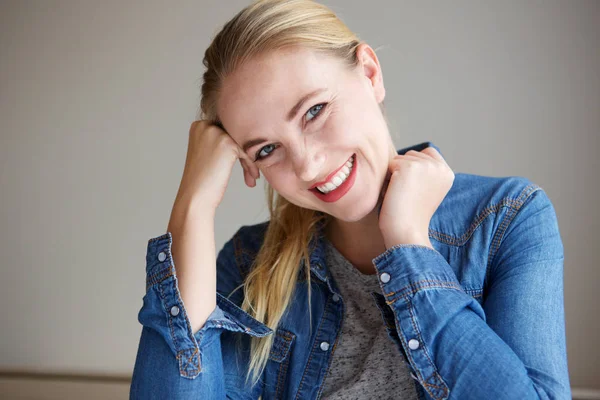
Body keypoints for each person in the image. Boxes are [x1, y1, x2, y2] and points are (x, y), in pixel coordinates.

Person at [129, 0, 571, 399]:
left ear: (370, 73)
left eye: (314, 111)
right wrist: (194, 205)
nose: (306, 166)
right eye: (266, 149)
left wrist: (408, 246)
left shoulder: (506, 218)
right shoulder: (250, 263)